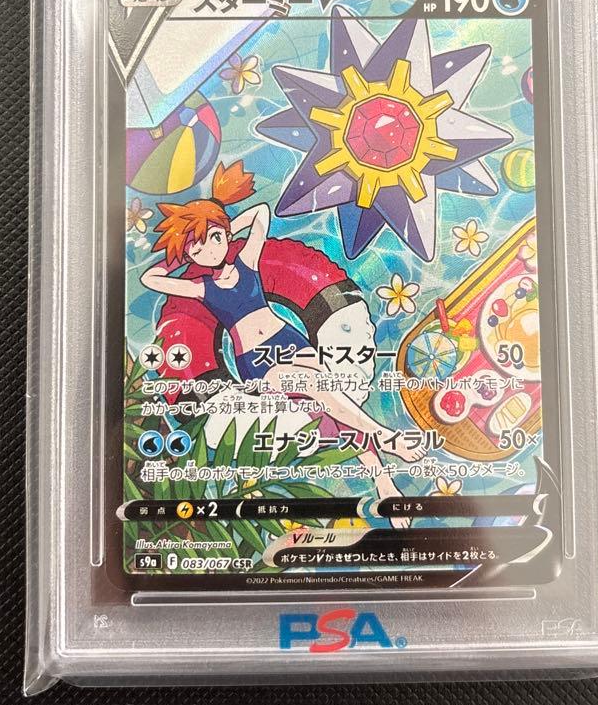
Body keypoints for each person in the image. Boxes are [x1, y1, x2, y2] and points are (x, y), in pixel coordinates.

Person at [140, 161, 423, 473]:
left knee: (329, 400)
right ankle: (383, 436)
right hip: (256, 361)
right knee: (318, 387)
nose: (210, 250)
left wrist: (223, 228)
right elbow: (150, 279)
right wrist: (179, 253)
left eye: (215, 238)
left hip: (289, 340)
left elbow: (261, 213)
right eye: (199, 248)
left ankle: (381, 477)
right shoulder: (202, 288)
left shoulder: (247, 262)